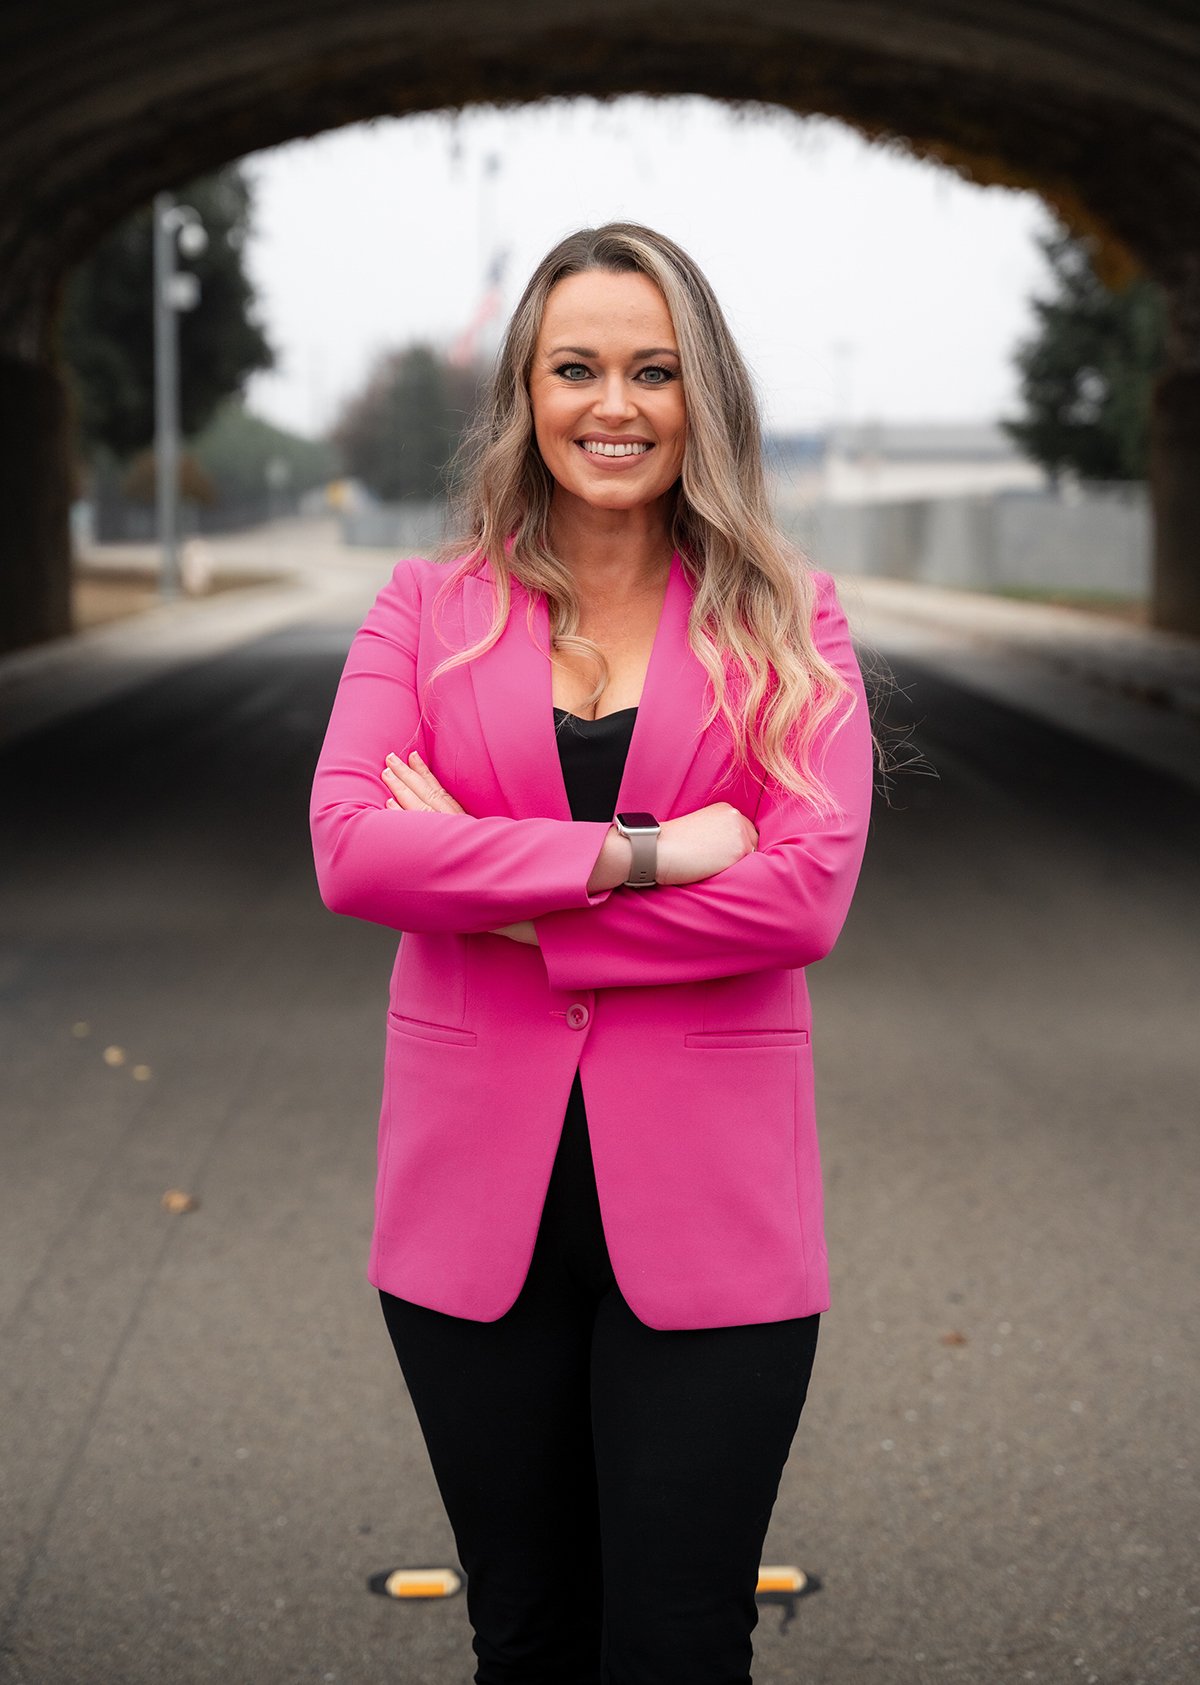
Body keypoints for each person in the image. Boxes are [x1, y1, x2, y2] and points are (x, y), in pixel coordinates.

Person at [309, 221, 876, 1685]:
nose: (612, 404)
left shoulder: (789, 621)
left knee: (681, 1642)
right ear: (526, 391)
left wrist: (496, 900)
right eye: (576, 368)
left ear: (705, 400)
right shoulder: (423, 611)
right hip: (466, 1223)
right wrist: (650, 850)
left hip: (719, 1220)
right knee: (531, 1635)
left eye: (652, 370)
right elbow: (355, 848)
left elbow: (804, 897)